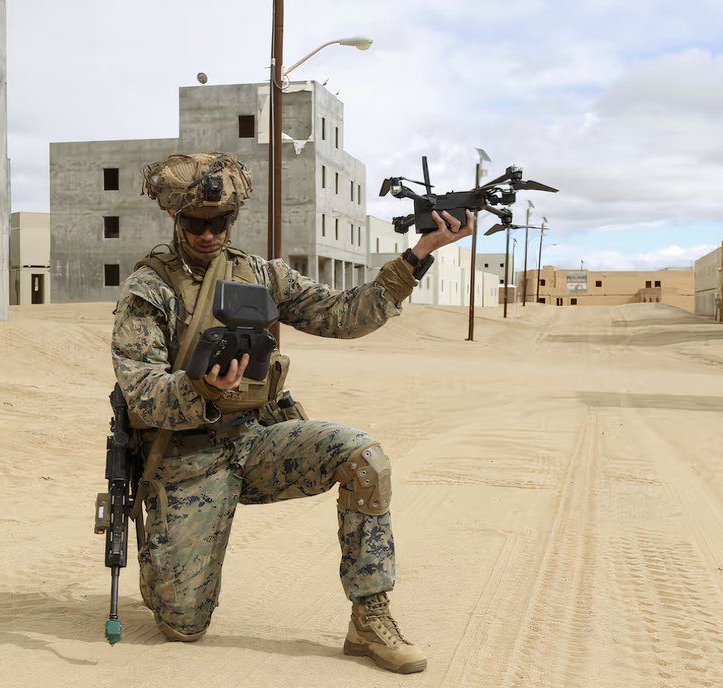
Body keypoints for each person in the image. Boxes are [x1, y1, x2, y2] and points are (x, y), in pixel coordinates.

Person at [111, 152, 472, 674]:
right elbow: (141, 392)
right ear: (177, 219)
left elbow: (347, 315)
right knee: (181, 625)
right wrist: (201, 389)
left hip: (254, 443)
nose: (209, 234)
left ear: (233, 221)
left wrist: (419, 253)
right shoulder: (149, 290)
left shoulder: (259, 276)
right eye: (196, 224)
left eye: (220, 224)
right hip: (186, 462)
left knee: (363, 457)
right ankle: (166, 563)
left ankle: (370, 618)